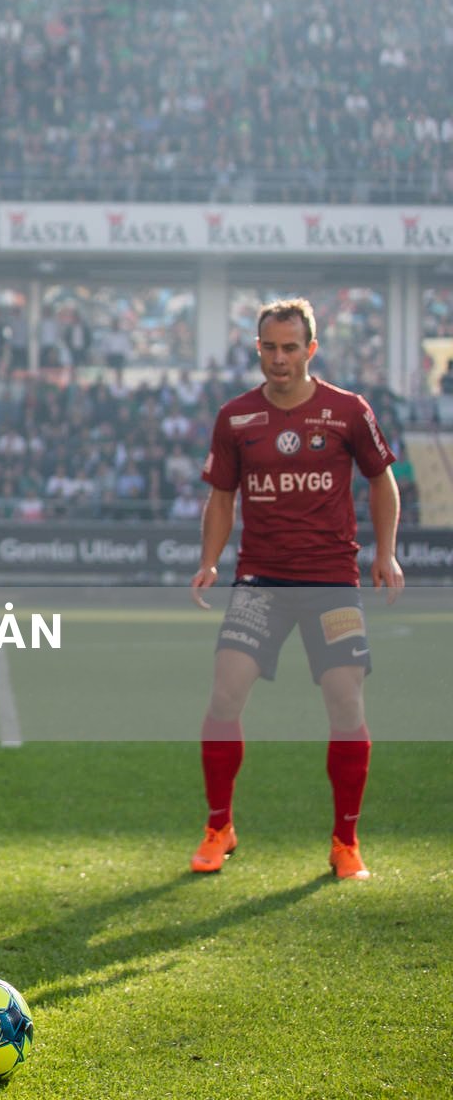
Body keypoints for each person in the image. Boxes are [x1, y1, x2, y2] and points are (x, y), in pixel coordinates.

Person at [189, 298, 402, 882]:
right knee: (224, 697)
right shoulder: (235, 417)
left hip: (331, 582)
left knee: (345, 703)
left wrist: (385, 552)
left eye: (289, 348)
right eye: (268, 348)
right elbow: (223, 497)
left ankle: (345, 841)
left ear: (311, 350)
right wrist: (210, 560)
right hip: (260, 581)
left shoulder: (347, 411)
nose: (278, 359)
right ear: (257, 349)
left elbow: (381, 482)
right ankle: (218, 827)